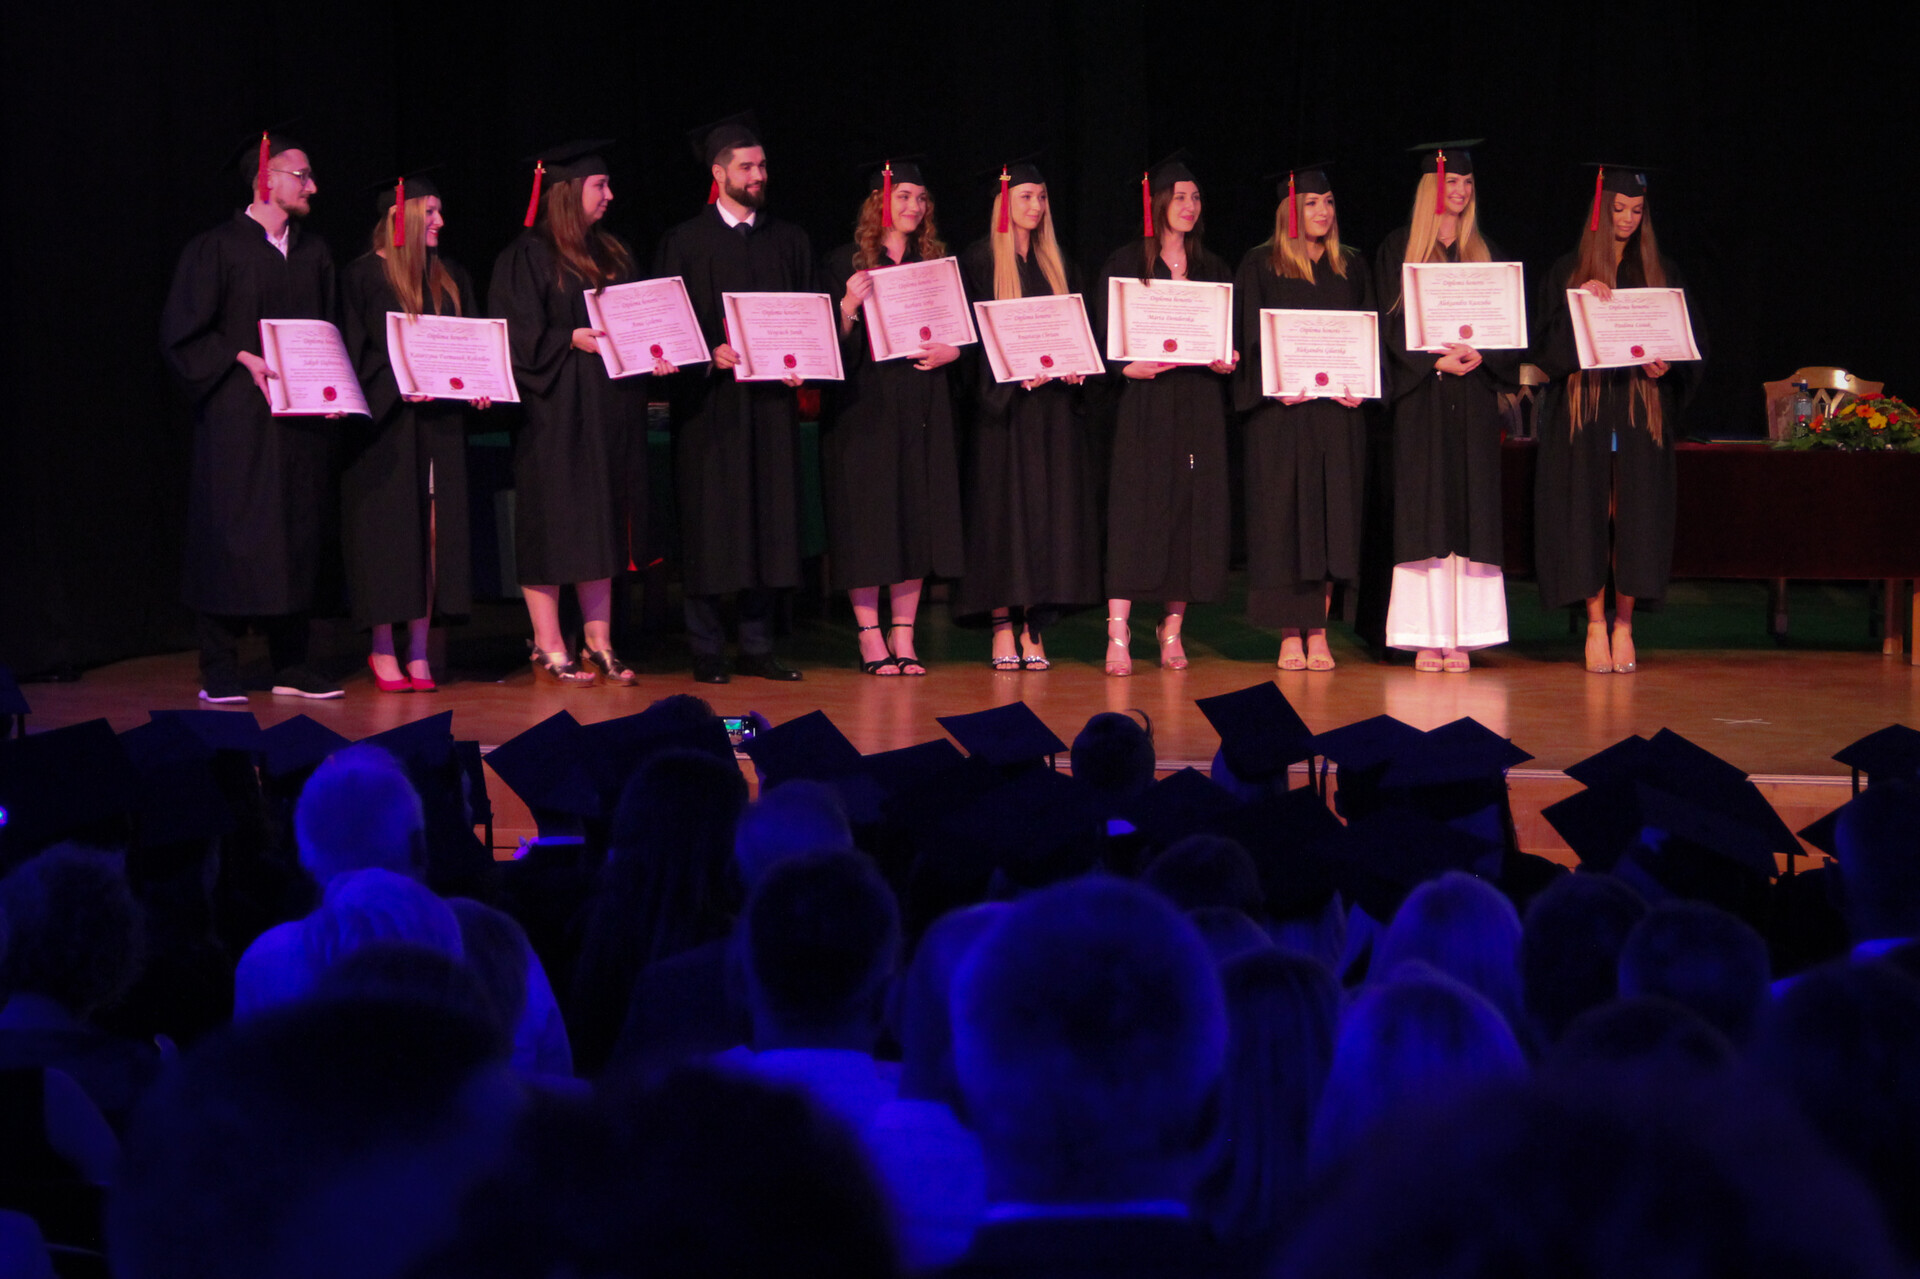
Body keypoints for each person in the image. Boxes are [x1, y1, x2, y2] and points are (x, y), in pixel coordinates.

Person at [159, 130, 343, 702]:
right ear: (266, 179)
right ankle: (219, 666)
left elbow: (330, 333)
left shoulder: (314, 253)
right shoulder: (215, 249)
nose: (312, 186)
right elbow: (183, 336)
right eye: (301, 176)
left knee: (297, 536)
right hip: (238, 421)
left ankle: (292, 663)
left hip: (300, 422)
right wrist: (240, 357)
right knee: (230, 538)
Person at [489, 140, 656, 688]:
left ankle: (599, 641)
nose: (610, 195)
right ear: (567, 192)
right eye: (598, 186)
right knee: (554, 523)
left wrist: (655, 349)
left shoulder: (613, 253)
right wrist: (569, 338)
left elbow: (638, 319)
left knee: (600, 522)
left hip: (608, 408)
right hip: (554, 414)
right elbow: (516, 337)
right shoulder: (526, 256)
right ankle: (548, 641)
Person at [653, 115, 812, 685]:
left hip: (770, 407)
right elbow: (666, 326)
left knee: (768, 522)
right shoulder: (684, 242)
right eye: (747, 167)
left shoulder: (788, 240)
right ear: (719, 174)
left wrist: (804, 361)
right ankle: (706, 648)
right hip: (710, 410)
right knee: (711, 525)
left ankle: (757, 646)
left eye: (762, 165)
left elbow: (807, 319)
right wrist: (706, 352)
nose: (758, 175)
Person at [1531, 167, 1697, 673]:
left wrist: (1667, 365)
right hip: (1586, 412)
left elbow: (1689, 348)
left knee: (1635, 515)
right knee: (1587, 513)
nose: (1627, 219)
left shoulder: (1661, 273)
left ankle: (1625, 625)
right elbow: (1545, 350)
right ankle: (1594, 624)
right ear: (1601, 212)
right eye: (1618, 209)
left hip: (1639, 413)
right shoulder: (1569, 270)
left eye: (1636, 211)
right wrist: (1581, 307)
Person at [1375, 143, 1520, 673]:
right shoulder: (1398, 250)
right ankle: (1424, 634)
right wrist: (1431, 361)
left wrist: (1486, 354)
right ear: (1430, 189)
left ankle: (1465, 635)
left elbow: (1509, 331)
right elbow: (1387, 327)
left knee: (1470, 509)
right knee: (1426, 511)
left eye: (1466, 183)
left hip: (1474, 400)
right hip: (1423, 402)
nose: (1459, 191)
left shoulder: (1486, 253)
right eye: (1449, 182)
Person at [341, 173, 488, 692]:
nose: (440, 222)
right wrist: (398, 386)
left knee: (433, 536)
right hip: (387, 433)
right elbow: (354, 356)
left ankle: (420, 648)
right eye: (430, 212)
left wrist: (479, 384)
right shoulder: (361, 278)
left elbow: (471, 344)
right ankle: (383, 646)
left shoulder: (450, 277)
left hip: (441, 428)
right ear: (399, 218)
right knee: (388, 537)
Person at [1094, 157, 1237, 676]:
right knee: (1134, 510)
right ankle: (1118, 631)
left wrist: (1226, 358)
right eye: (1179, 197)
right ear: (1157, 203)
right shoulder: (1125, 264)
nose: (1189, 206)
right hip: (1144, 404)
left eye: (1195, 197)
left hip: (1197, 402)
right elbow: (1102, 339)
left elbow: (1227, 337)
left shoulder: (1213, 269)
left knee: (1188, 512)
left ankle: (1171, 629)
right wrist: (1123, 367)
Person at [954, 159, 1099, 672]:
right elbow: (969, 343)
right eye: (1025, 197)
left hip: (1052, 413)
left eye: (1041, 197)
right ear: (1004, 202)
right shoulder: (977, 262)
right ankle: (1001, 624)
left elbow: (1079, 334)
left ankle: (1033, 623)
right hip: (1004, 416)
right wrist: (1009, 377)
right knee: (1003, 517)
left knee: (1045, 517)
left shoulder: (1058, 263)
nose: (1036, 206)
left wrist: (1078, 369)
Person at [823, 159, 965, 676]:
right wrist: (847, 305)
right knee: (870, 520)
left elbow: (961, 331)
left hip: (923, 402)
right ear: (879, 202)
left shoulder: (936, 264)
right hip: (867, 407)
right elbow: (827, 349)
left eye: (921, 198)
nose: (914, 206)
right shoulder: (845, 261)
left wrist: (954, 351)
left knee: (917, 516)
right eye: (903, 195)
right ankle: (869, 635)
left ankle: (904, 633)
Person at [1234, 164, 1373, 670]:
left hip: (1336, 416)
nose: (1323, 211)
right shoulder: (1260, 264)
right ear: (1289, 210)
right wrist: (1273, 386)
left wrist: (1363, 385)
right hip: (1282, 417)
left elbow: (1368, 333)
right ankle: (1289, 633)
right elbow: (1247, 339)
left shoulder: (1350, 265)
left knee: (1333, 521)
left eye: (1329, 202)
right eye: (1311, 202)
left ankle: (1319, 631)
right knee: (1285, 523)